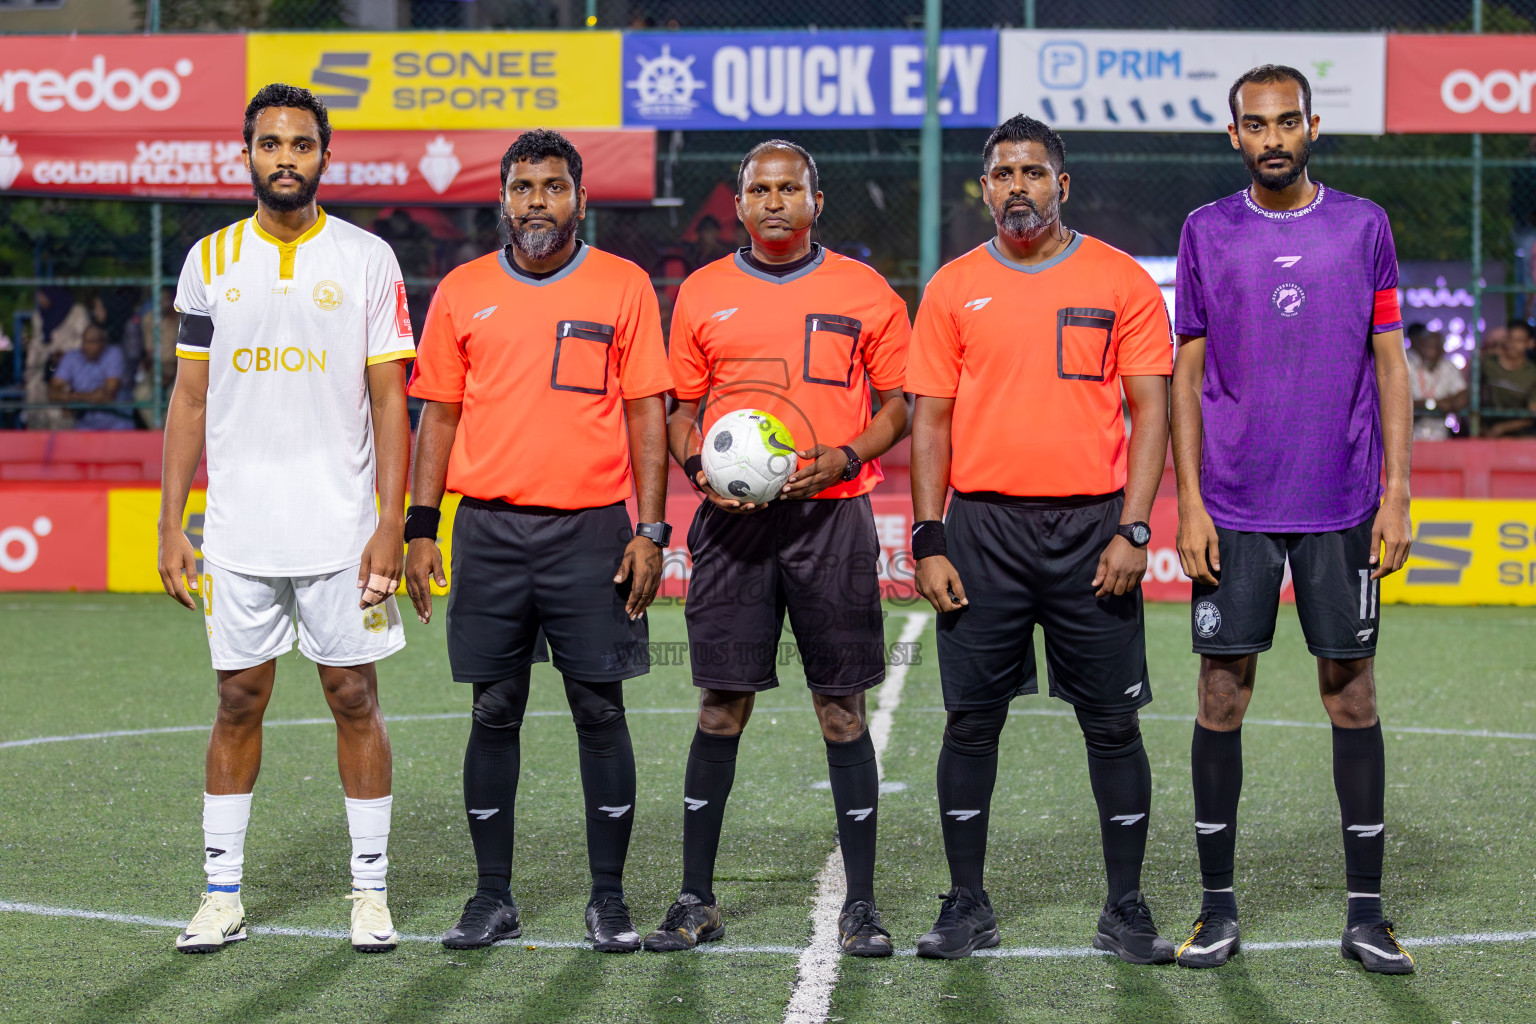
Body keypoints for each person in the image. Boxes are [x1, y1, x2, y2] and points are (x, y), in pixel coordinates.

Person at [906, 114, 1175, 963]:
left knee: (1111, 725)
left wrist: (1136, 528)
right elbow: (930, 424)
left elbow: (1150, 412)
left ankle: (1125, 908)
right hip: (982, 530)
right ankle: (967, 905)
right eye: (1001, 174)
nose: (1016, 186)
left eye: (1032, 172)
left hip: (1093, 529)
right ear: (983, 189)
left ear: (1063, 184)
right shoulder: (952, 287)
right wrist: (929, 536)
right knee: (970, 723)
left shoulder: (1121, 278)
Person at [157, 83, 416, 955]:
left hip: (344, 531)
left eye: (300, 144)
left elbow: (392, 400)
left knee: (354, 694)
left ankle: (369, 893)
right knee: (237, 699)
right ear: (247, 156)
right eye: (269, 143)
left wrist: (390, 522)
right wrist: (171, 525)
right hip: (237, 532)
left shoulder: (367, 259)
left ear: (324, 157)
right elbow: (188, 399)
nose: (285, 158)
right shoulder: (207, 260)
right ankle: (221, 894)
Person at [1171, 65, 1415, 974]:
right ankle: (1217, 911)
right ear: (1233, 135)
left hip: (1342, 499)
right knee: (1220, 695)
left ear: (1313, 126)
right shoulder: (1205, 230)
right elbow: (1186, 375)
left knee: (1350, 693)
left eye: (1286, 122)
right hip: (1232, 504)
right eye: (1254, 125)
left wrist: (1396, 493)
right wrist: (1188, 499)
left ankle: (1365, 915)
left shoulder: (1364, 226)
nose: (1272, 138)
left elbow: (1390, 365)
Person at [404, 129, 671, 954]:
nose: (537, 204)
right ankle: (492, 898)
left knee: (600, 708)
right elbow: (438, 413)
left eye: (553, 188)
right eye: (523, 189)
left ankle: (608, 899)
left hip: (592, 530)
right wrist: (421, 525)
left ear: (580, 200)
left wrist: (651, 530)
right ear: (503, 201)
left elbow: (645, 414)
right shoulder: (462, 289)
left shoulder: (624, 286)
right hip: (487, 530)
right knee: (494, 709)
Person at [644, 139, 911, 958]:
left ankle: (861, 905)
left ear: (815, 201)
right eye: (758, 189)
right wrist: (698, 466)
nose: (772, 202)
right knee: (721, 704)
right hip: (732, 527)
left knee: (841, 707)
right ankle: (695, 898)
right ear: (739, 202)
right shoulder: (701, 293)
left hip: (832, 518)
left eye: (789, 188)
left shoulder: (866, 292)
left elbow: (902, 405)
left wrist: (847, 455)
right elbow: (680, 410)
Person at [49, 324, 134, 430]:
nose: (87, 347)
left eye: (93, 342)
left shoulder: (114, 353)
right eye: (85, 341)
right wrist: (81, 397)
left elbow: (106, 396)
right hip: (85, 427)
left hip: (116, 425)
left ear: (103, 343)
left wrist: (68, 398)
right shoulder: (72, 357)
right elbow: (52, 393)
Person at [1405, 323, 1466, 440]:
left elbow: (1463, 396)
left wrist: (1451, 403)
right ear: (1418, 346)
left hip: (1440, 436)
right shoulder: (1407, 365)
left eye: (1436, 346)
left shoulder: (1448, 366)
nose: (1431, 350)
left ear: (1442, 349)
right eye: (1427, 346)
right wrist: (1434, 404)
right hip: (1411, 436)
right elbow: (1400, 402)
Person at [1482, 321, 1536, 436]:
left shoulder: (1532, 373)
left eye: (1519, 340)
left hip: (1519, 434)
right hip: (1485, 429)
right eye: (1510, 338)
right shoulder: (1488, 364)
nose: (1512, 344)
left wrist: (1502, 428)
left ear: (1530, 343)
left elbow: (1532, 414)